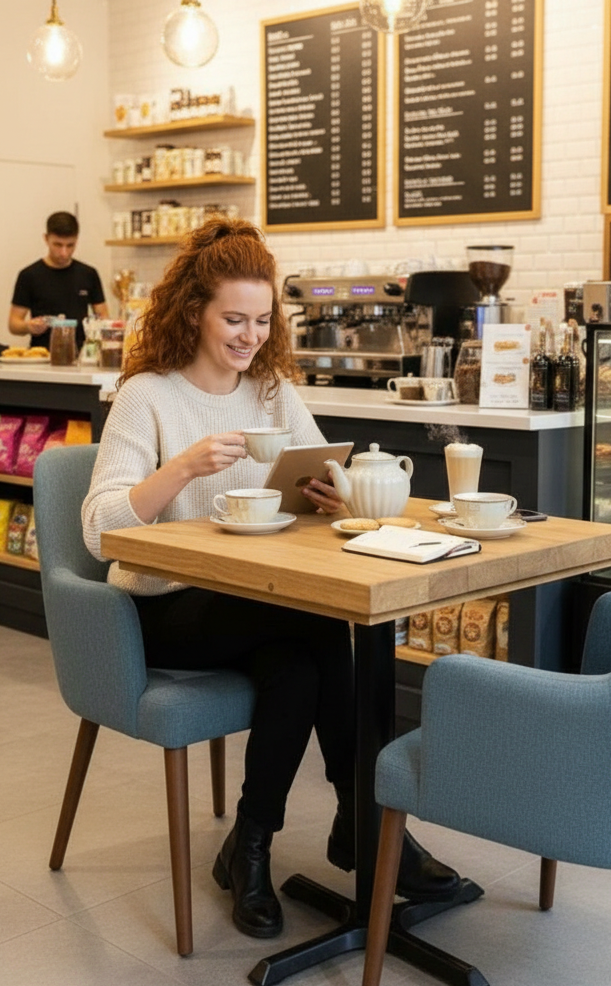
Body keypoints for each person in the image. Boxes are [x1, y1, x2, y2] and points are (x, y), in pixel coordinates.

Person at [81, 218, 459, 940]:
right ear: (193, 311)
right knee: (317, 620)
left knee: (299, 666)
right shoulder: (146, 395)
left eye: (261, 321)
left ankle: (251, 845)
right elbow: (99, 530)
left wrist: (332, 493)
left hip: (253, 604)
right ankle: (365, 824)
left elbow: (325, 468)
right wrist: (182, 467)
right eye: (234, 319)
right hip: (165, 608)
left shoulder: (271, 389)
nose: (250, 336)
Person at [9, 211, 108, 350]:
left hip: (81, 354)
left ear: (77, 240)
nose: (64, 252)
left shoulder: (89, 274)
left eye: (70, 245)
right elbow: (13, 324)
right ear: (46, 239)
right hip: (42, 354)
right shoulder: (29, 275)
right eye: (58, 245)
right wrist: (29, 326)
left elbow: (103, 317)